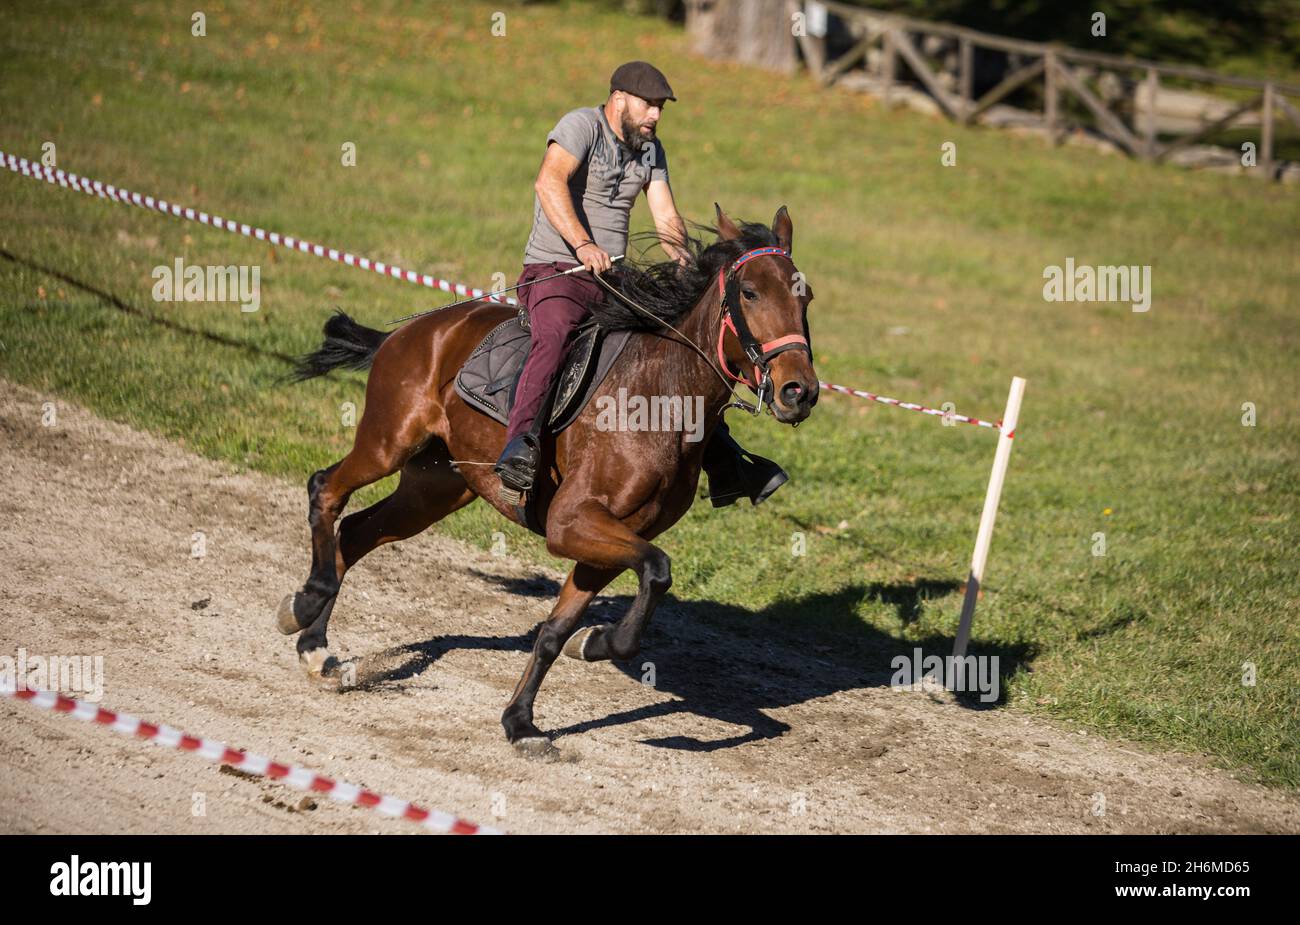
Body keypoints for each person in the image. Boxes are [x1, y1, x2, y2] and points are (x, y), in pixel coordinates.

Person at [494, 60, 787, 508]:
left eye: (660, 108)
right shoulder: (581, 125)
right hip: (558, 269)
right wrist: (582, 244)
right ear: (618, 100)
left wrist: (685, 260)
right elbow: (547, 183)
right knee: (553, 337)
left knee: (678, 349)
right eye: (648, 105)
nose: (655, 115)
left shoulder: (651, 150)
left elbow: (665, 214)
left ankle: (726, 463)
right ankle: (519, 445)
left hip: (613, 278)